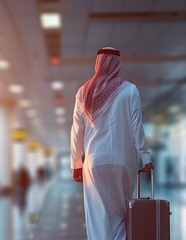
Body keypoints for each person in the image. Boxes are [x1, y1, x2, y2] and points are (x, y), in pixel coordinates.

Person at [70, 47, 154, 240]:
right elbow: (137, 127)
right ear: (118, 64)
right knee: (121, 218)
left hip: (94, 164)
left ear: (97, 63)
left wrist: (76, 163)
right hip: (123, 163)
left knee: (99, 221)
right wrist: (145, 156)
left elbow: (77, 131)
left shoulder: (83, 93)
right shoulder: (130, 90)